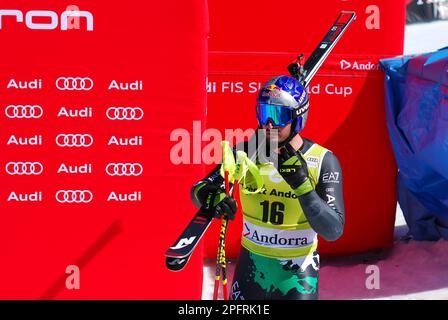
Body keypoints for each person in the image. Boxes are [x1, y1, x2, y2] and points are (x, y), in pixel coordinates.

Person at [190, 75, 345, 300]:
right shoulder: (245, 153)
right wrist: (211, 196)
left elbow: (333, 231)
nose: (269, 125)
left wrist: (304, 189)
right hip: (251, 274)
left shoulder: (321, 160)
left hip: (297, 279)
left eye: (278, 116)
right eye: (264, 114)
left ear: (297, 118)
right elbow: (199, 189)